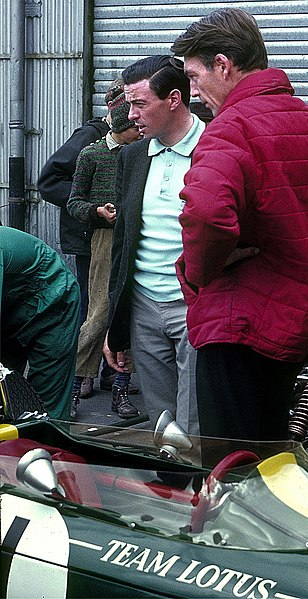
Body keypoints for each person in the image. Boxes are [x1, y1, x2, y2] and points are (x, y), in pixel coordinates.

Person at [170, 8, 308, 442]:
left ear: (223, 64)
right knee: (271, 464)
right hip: (295, 322)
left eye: (195, 77)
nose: (194, 93)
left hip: (238, 324)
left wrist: (199, 273)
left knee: (230, 472)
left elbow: (207, 214)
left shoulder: (230, 128)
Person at [103, 55, 205, 435]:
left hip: (194, 304)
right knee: (162, 422)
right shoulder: (132, 156)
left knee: (197, 423)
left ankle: (203, 491)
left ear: (174, 99)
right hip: (145, 304)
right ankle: (170, 489)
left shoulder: (214, 148)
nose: (130, 115)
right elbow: (123, 243)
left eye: (139, 103)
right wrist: (117, 323)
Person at [66, 82, 142, 420]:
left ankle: (121, 390)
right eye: (134, 130)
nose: (140, 133)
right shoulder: (92, 154)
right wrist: (97, 211)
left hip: (137, 238)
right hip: (103, 240)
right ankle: (71, 390)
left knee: (132, 315)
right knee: (97, 316)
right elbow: (74, 203)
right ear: (122, 129)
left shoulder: (143, 152)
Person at [37, 94, 115, 399]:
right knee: (90, 307)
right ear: (113, 106)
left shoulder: (134, 137)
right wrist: (90, 202)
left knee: (111, 304)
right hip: (87, 235)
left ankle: (109, 372)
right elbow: (48, 181)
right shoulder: (88, 138)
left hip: (107, 234)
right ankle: (79, 378)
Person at [0, 226, 80, 420]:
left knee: (43, 411)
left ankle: (49, 447)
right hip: (10, 305)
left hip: (53, 301)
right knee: (5, 402)